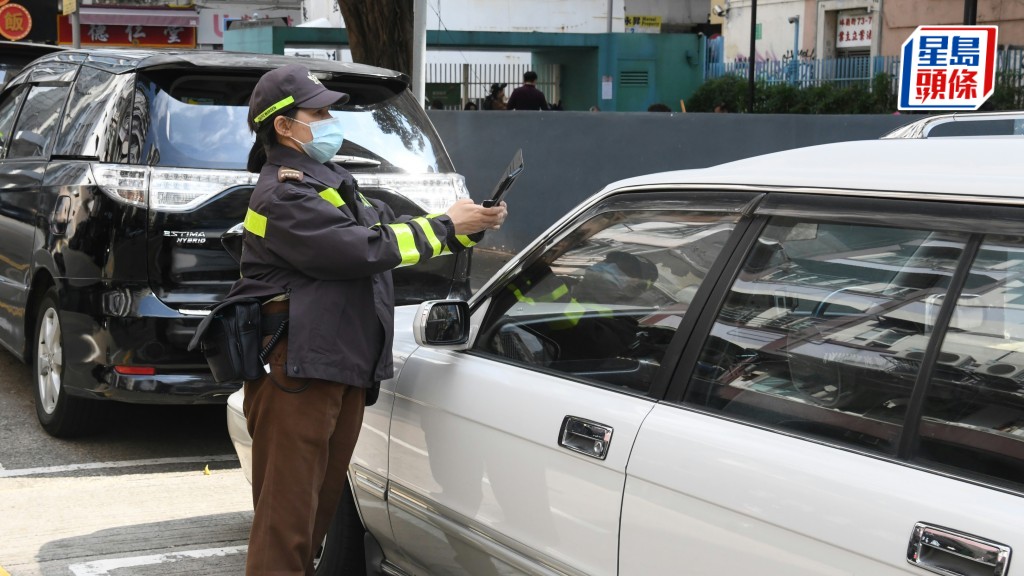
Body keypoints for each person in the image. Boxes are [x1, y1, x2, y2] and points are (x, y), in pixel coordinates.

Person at [231, 63, 507, 576]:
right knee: (285, 528)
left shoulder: (329, 182)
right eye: (317, 112)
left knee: (312, 521)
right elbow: (360, 249)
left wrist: (463, 229)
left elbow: (390, 234)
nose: (330, 120)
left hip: (337, 366)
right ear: (284, 127)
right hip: (299, 374)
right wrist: (448, 226)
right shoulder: (283, 194)